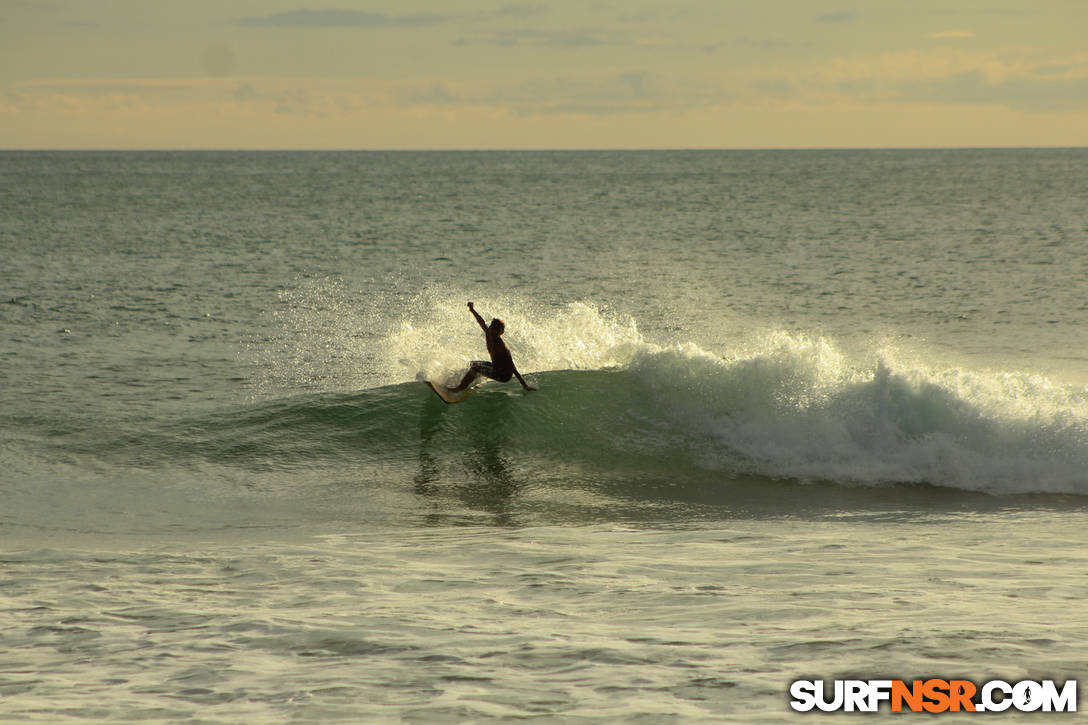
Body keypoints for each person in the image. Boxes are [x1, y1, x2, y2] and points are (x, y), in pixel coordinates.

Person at [449, 302, 536, 393]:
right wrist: (472, 310)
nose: (491, 330)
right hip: (495, 367)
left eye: (495, 329)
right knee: (471, 364)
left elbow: (511, 366)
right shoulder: (489, 334)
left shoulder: (500, 346)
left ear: (499, 332)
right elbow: (481, 321)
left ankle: (458, 389)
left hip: (503, 375)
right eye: (491, 327)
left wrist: (524, 385)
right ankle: (467, 382)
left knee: (476, 368)